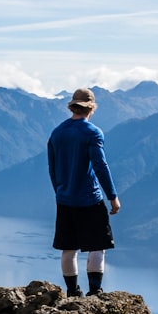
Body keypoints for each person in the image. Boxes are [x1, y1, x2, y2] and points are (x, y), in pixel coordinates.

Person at [47, 87, 121, 297]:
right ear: (91, 108)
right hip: (90, 199)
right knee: (97, 245)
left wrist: (60, 191)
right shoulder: (92, 133)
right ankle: (95, 291)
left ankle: (72, 292)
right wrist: (112, 196)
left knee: (68, 248)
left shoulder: (57, 133)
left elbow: (52, 168)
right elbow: (100, 166)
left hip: (64, 199)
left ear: (73, 106)